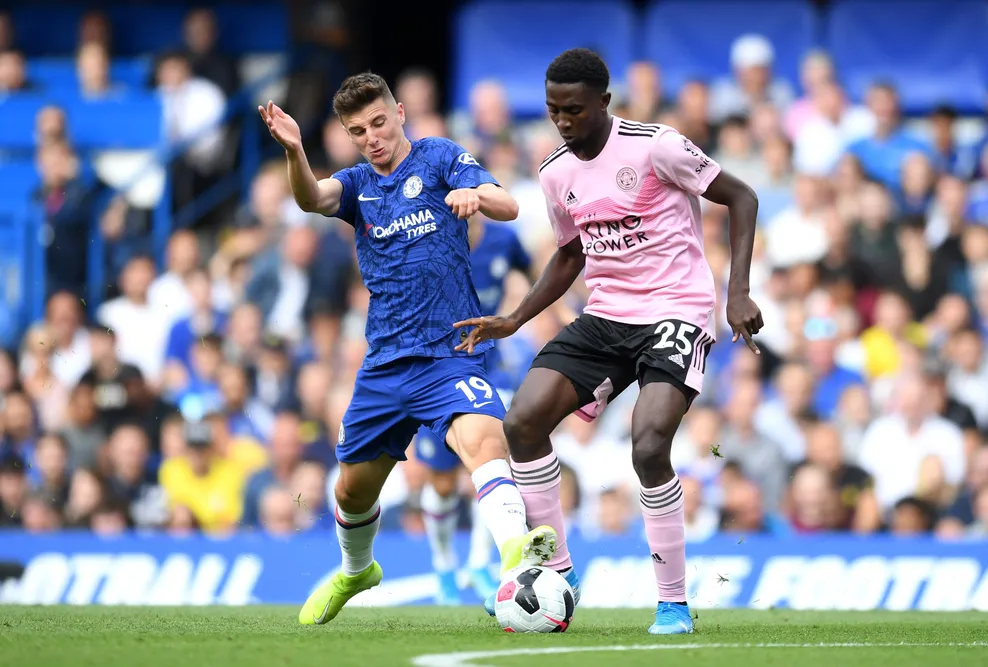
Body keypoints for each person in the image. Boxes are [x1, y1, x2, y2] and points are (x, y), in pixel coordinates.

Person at [454, 48, 763, 634]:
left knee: (648, 447)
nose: (562, 121)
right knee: (521, 422)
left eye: (573, 109)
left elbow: (741, 197)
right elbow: (571, 253)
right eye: (552, 110)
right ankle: (562, 575)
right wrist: (516, 318)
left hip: (677, 310)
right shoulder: (554, 172)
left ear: (604, 102)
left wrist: (737, 291)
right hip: (608, 315)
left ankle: (672, 602)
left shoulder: (656, 146)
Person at [258, 72, 557, 626]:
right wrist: (296, 150)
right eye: (358, 130)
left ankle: (516, 556)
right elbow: (310, 198)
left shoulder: (440, 156)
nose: (372, 136)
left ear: (399, 112)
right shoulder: (355, 186)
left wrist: (477, 195)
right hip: (385, 364)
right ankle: (356, 572)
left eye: (378, 121)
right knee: (351, 492)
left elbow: (509, 204)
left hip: (450, 351)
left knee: (482, 438)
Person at [413, 212, 533, 605]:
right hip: (437, 369)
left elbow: (530, 273)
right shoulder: (427, 241)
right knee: (444, 484)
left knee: (494, 458)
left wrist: (549, 311)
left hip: (488, 365)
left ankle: (482, 563)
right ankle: (444, 564)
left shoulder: (504, 240)